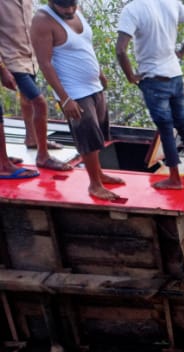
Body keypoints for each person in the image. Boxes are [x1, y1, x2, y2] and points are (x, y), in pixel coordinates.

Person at [31, 0, 127, 202]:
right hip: (73, 91)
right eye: (65, 7)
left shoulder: (77, 11)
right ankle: (94, 184)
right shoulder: (42, 21)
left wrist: (99, 72)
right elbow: (45, 63)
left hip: (93, 86)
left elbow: (85, 44)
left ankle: (99, 173)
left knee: (99, 131)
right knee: (87, 135)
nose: (70, 11)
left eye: (73, 6)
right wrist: (65, 99)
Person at [115, 0, 184, 190]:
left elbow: (121, 49)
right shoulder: (171, 3)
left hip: (153, 79)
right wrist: (182, 52)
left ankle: (174, 179)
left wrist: (130, 75)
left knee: (166, 130)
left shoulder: (132, 10)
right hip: (175, 75)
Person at [0, 0, 71, 172]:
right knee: (39, 102)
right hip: (10, 58)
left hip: (28, 57)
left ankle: (32, 139)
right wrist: (2, 69)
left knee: (27, 99)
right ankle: (43, 156)